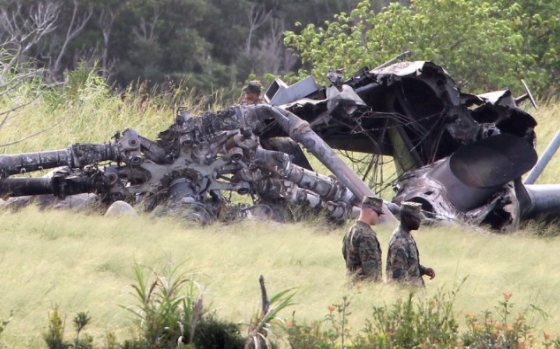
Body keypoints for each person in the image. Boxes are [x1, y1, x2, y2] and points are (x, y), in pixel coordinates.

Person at [386, 201, 435, 287]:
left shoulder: (406, 236)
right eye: (416, 218)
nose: (419, 221)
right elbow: (398, 278)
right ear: (406, 218)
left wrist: (423, 270)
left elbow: (409, 265)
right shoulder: (399, 242)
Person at [342, 196, 384, 283]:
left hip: (351, 284)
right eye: (378, 214)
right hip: (364, 287)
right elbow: (372, 272)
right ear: (371, 211)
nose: (379, 217)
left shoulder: (351, 230)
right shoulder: (366, 235)